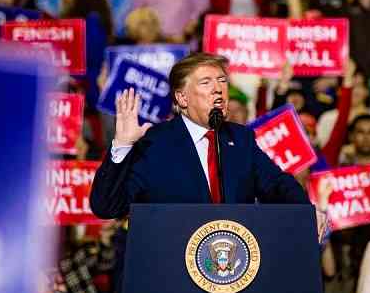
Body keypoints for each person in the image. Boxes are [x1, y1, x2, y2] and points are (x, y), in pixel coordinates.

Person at [90, 52, 319, 216]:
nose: (218, 88)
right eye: (206, 82)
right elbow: (107, 207)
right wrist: (121, 145)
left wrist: (307, 212)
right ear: (182, 98)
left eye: (222, 81)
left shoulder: (240, 139)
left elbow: (278, 185)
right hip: (172, 271)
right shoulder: (154, 144)